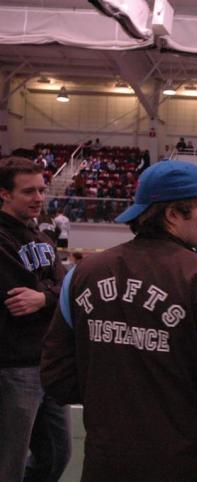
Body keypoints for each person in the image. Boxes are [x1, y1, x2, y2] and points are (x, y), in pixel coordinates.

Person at [40, 160, 197, 481]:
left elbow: (56, 375)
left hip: (105, 456)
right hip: (185, 457)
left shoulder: (83, 274)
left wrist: (113, 405)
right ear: (172, 214)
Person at [0, 156, 71, 482]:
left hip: (49, 363)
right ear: (4, 194)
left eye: (41, 190)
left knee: (57, 454)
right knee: (9, 460)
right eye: (29, 192)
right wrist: (52, 293)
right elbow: (18, 296)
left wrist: (44, 297)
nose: (39, 198)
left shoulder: (40, 237)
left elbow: (67, 287)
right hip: (13, 366)